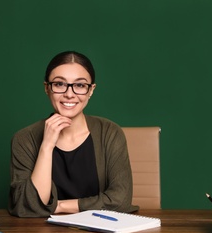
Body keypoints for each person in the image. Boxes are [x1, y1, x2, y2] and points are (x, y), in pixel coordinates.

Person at [8, 51, 138, 217]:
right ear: (47, 88)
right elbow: (27, 205)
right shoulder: (24, 139)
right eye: (60, 84)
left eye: (80, 85)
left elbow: (120, 200)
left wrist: (59, 206)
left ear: (91, 90)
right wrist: (46, 146)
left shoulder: (110, 133)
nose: (69, 94)